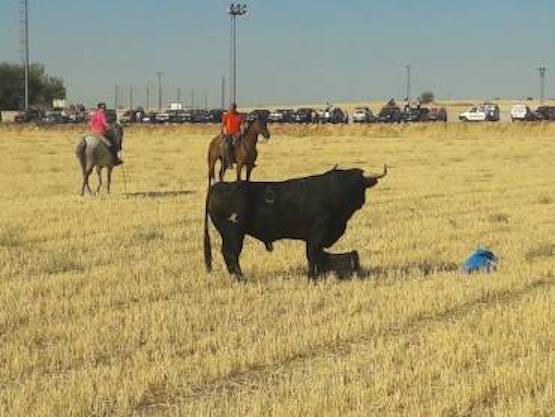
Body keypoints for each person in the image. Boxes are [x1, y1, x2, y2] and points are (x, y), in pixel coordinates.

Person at [221, 102, 244, 168]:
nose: (232, 109)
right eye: (231, 108)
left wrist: (242, 131)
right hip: (229, 134)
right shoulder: (226, 116)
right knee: (227, 146)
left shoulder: (239, 116)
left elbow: (242, 125)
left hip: (238, 134)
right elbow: (223, 126)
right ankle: (229, 162)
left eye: (233, 107)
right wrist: (222, 133)